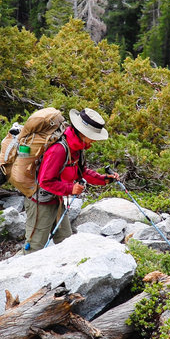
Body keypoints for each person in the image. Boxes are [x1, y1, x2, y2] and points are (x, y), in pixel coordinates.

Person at [24, 108, 119, 253]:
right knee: (35, 248)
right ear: (83, 133)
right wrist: (70, 189)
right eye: (93, 136)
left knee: (67, 243)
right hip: (40, 203)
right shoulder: (59, 149)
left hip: (57, 200)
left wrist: (104, 179)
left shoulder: (77, 147)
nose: (94, 140)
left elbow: (82, 172)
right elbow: (44, 181)